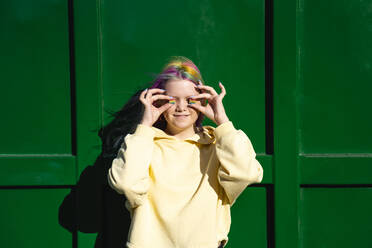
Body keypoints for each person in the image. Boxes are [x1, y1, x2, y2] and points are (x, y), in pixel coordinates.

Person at [107, 56, 264, 248]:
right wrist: (144, 126)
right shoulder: (145, 143)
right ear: (160, 100)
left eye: (190, 100)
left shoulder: (217, 144)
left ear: (202, 100)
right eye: (172, 100)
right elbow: (126, 184)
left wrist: (223, 121)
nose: (181, 107)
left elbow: (246, 173)